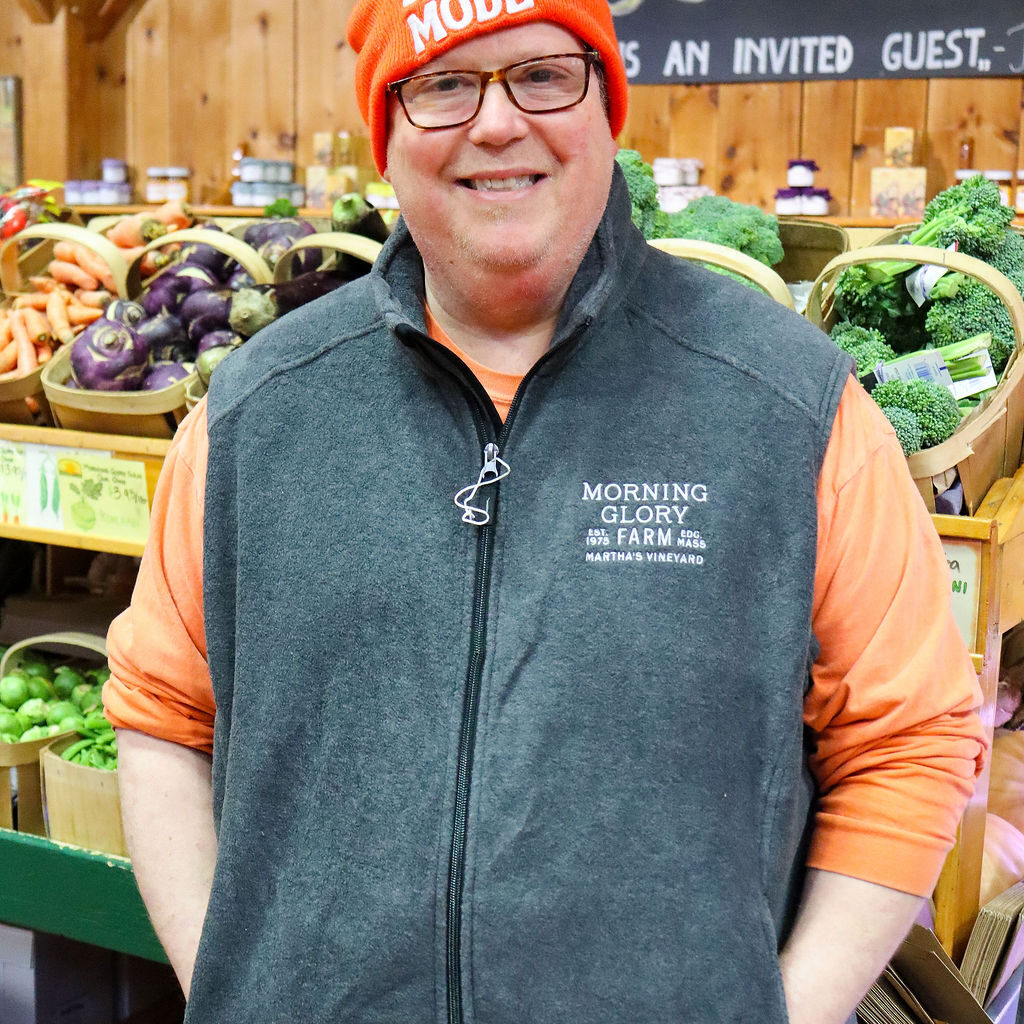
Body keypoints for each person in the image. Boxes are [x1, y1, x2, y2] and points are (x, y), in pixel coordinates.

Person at [103, 0, 987, 1021]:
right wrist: (235, 988)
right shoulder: (260, 409)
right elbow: (161, 714)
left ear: (605, 105)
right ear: (385, 132)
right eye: (442, 83)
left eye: (541, 75)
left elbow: (908, 739)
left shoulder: (785, 402)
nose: (494, 124)